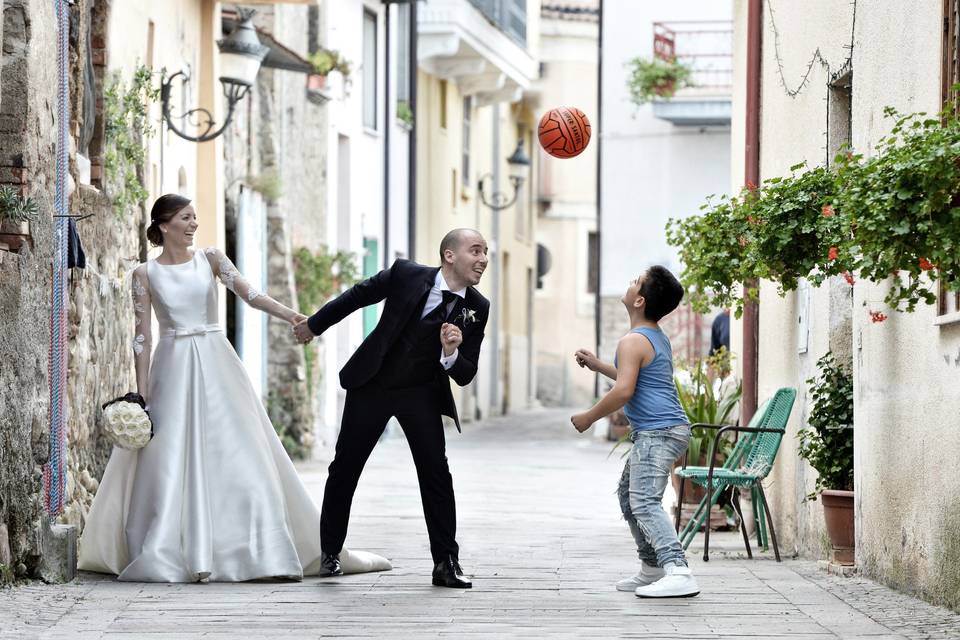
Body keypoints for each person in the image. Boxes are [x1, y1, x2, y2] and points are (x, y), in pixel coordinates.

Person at [78, 194, 388, 582]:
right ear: (163, 225)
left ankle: (261, 551)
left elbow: (250, 294)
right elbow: (141, 338)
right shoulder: (144, 275)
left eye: (195, 217)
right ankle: (171, 549)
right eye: (186, 218)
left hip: (215, 361)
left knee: (238, 448)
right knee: (170, 457)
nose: (193, 224)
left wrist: (292, 315)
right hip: (171, 366)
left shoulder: (210, 259)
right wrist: (142, 396)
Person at [293, 229, 490, 588]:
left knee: (436, 475)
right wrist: (314, 325)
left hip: (423, 393)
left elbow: (466, 374)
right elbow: (357, 296)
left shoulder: (477, 308)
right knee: (344, 468)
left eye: (485, 253)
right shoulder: (406, 274)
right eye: (475, 251)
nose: (483, 259)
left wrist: (451, 352)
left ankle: (446, 563)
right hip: (374, 383)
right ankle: (330, 554)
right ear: (449, 255)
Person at [570, 266, 699, 598]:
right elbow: (633, 377)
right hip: (662, 430)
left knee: (644, 501)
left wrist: (589, 416)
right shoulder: (651, 336)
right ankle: (653, 568)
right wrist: (600, 365)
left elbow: (625, 390)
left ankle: (678, 570)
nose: (629, 283)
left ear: (639, 300)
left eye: (635, 282)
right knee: (630, 498)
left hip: (659, 431)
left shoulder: (633, 341)